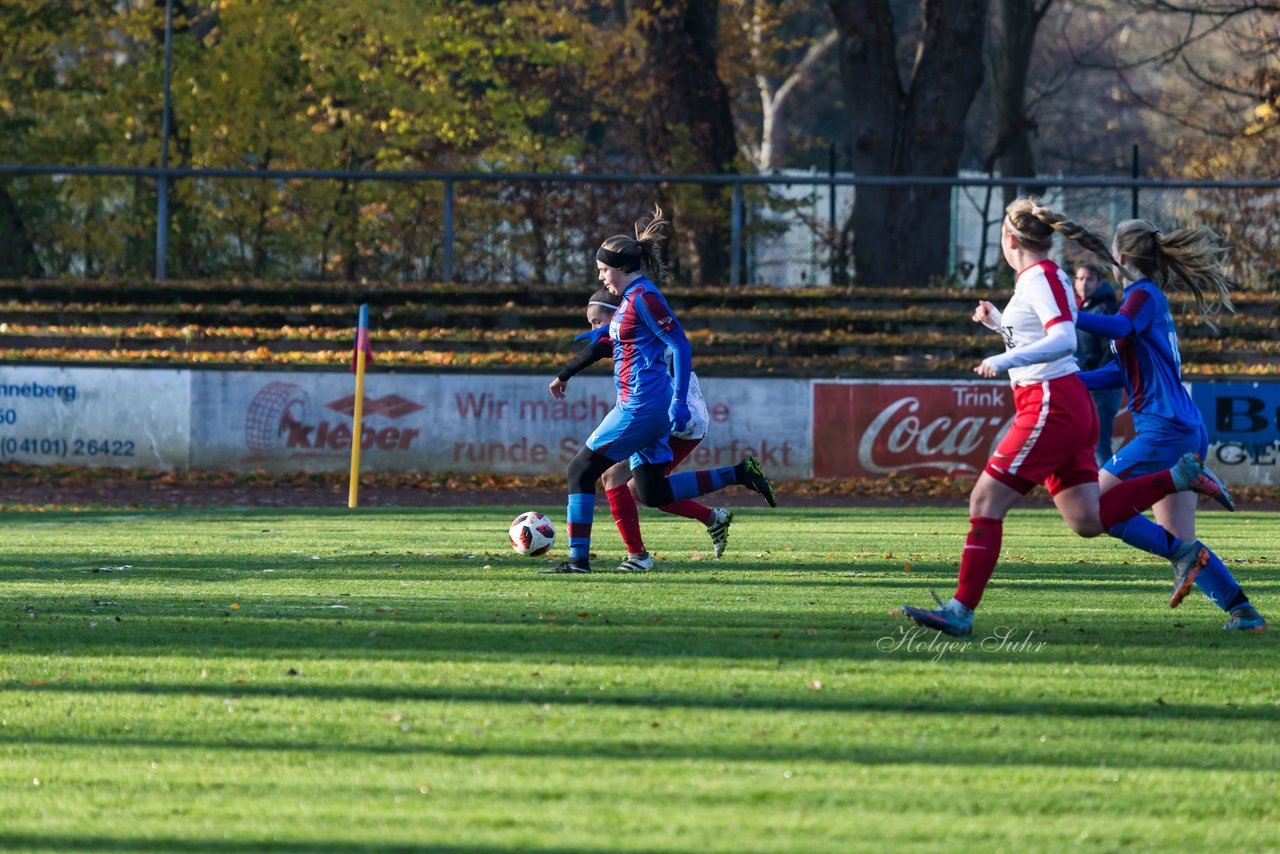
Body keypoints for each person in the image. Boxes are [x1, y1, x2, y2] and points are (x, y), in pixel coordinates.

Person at [899, 197, 1235, 637]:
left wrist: (1009, 357)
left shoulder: (1113, 291)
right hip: (1072, 402)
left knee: (984, 501)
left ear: (1008, 238)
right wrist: (1000, 325)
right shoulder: (1043, 280)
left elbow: (1063, 340)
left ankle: (961, 610)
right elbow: (1061, 349)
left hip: (1065, 408)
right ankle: (1219, 578)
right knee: (1088, 519)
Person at [547, 204, 775, 575]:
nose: (602, 277)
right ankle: (738, 474)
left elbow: (680, 345)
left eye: (604, 270)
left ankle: (578, 561)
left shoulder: (644, 298)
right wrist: (571, 369)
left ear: (621, 267)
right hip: (645, 405)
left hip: (641, 406)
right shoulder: (630, 301)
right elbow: (621, 343)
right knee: (651, 491)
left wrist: (679, 404)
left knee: (580, 471)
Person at [1075, 218, 1266, 631]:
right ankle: (1243, 611)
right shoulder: (1140, 300)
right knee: (1179, 540)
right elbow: (1118, 374)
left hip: (1166, 431)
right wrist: (1067, 379)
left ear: (1120, 259)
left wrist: (1069, 316)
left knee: (1096, 510)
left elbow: (1121, 327)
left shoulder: (1142, 296)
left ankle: (1191, 480)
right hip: (1179, 427)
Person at [549, 288, 734, 570]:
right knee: (643, 489)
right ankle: (711, 516)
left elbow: (669, 350)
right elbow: (603, 347)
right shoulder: (637, 326)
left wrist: (566, 372)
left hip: (673, 415)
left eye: (597, 321)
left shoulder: (637, 325)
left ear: (617, 313)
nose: (594, 328)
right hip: (669, 411)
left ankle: (633, 556)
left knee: (615, 479)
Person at [1073, 262, 1122, 467]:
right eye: (1080, 278)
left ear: (1099, 282)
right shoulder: (1080, 307)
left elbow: (1111, 351)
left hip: (1100, 387)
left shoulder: (1105, 309)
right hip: (1085, 383)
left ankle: (1108, 492)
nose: (1084, 283)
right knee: (1081, 443)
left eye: (1089, 279)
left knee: (1100, 445)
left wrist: (1095, 379)